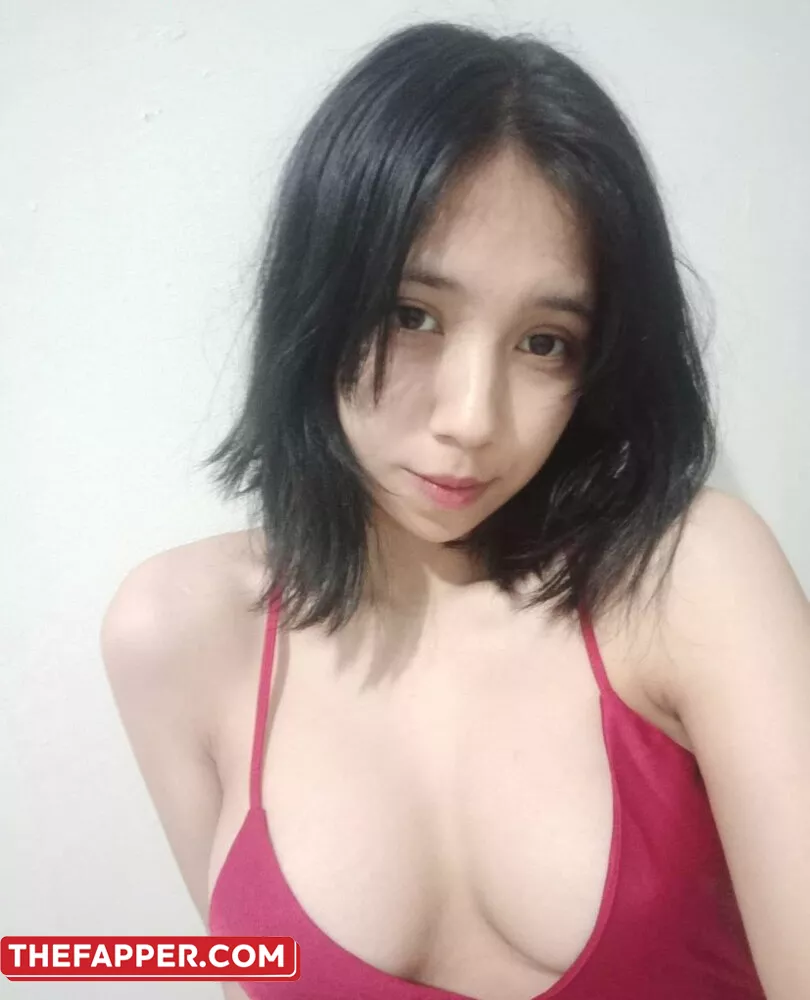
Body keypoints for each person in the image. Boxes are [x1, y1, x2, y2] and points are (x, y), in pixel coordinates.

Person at [100, 21, 810, 1000]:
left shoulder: (687, 579)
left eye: (545, 341)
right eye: (413, 315)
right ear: (317, 296)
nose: (472, 420)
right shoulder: (177, 635)